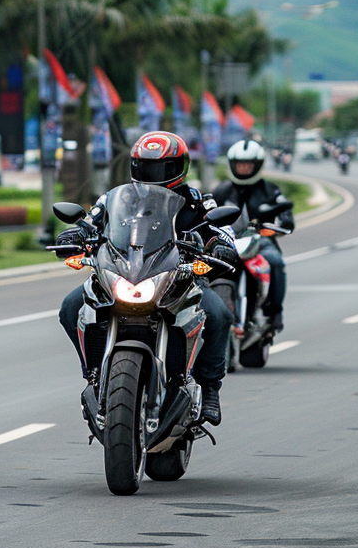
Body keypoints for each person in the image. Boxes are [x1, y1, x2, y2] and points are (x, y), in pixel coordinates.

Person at [54, 132, 236, 426]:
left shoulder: (198, 202)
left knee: (218, 314)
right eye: (147, 167)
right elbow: (91, 222)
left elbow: (221, 231)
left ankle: (211, 388)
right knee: (70, 307)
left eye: (163, 168)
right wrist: (74, 234)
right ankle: (94, 375)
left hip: (181, 278)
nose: (154, 175)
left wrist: (220, 246)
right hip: (122, 273)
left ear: (180, 167)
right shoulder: (115, 198)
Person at [211, 139, 294, 333]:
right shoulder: (222, 190)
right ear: (232, 165)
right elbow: (207, 209)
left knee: (275, 261)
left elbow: (283, 207)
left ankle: (274, 313)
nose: (244, 168)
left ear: (257, 165)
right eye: (240, 164)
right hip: (229, 241)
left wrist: (285, 220)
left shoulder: (269, 189)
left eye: (248, 165)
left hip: (260, 241)